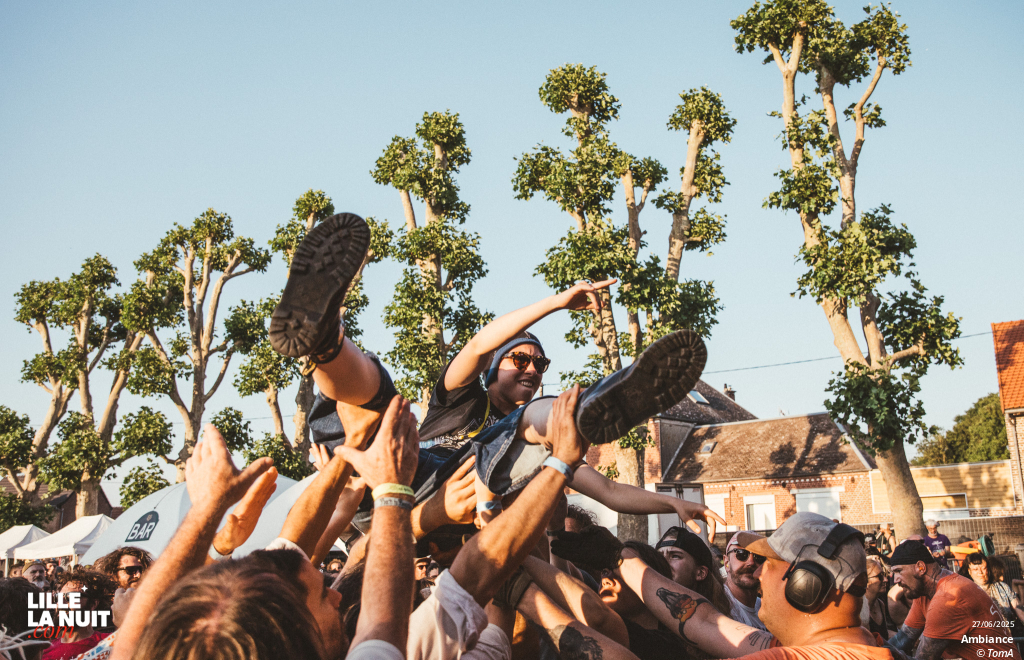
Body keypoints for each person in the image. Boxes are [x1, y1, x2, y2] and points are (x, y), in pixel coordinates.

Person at [269, 212, 724, 536]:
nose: (531, 369)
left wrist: (672, 502)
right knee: (375, 395)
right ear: (491, 371)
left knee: (540, 420)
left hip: (455, 502)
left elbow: (607, 490)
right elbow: (479, 344)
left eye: (539, 364)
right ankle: (324, 340)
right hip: (399, 473)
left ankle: (587, 410)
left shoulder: (527, 437)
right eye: (519, 360)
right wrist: (556, 302)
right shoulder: (462, 396)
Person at [605, 511, 896, 659]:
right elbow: (704, 621)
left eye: (767, 563)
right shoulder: (863, 646)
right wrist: (619, 558)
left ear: (805, 584)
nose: (757, 574)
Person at [887, 540, 1020, 659]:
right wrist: (877, 647)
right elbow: (905, 637)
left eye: (899, 571)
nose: (896, 580)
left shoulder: (948, 597)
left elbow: (924, 658)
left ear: (920, 567)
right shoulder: (924, 593)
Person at [41, 568, 116, 660]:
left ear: (93, 604)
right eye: (58, 598)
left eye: (71, 597)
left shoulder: (109, 644)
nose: (61, 603)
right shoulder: (44, 650)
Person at [656, 526, 731, 617]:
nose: (663, 562)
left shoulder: (714, 620)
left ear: (700, 573)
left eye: (675, 556)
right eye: (659, 556)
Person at [959, 553, 1024, 638]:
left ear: (988, 569)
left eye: (983, 568)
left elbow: (1020, 611)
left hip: (1006, 640)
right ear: (969, 571)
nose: (980, 572)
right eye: (975, 569)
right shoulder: (966, 593)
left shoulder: (1003, 588)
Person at [721, 531, 768, 631]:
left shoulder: (767, 609)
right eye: (741, 554)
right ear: (726, 562)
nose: (751, 562)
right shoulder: (718, 606)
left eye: (759, 556)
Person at [862, 556, 890, 640]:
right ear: (865, 581)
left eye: (884, 575)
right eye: (880, 577)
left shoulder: (880, 604)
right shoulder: (859, 609)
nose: (886, 580)